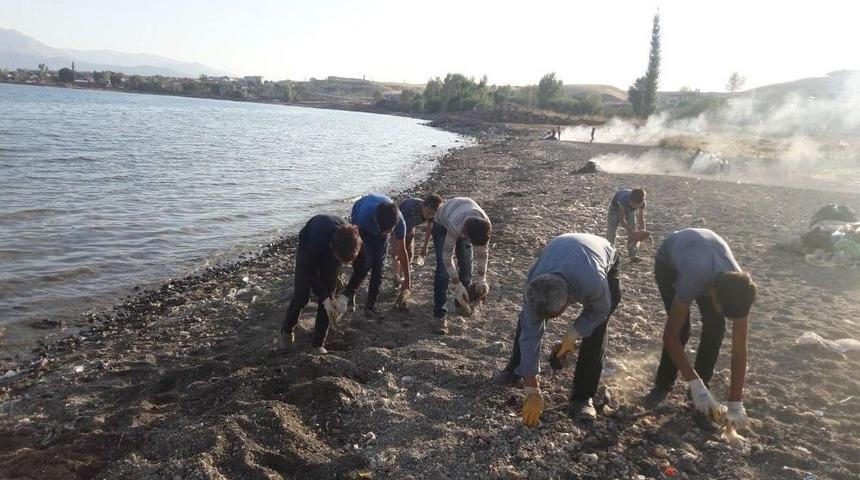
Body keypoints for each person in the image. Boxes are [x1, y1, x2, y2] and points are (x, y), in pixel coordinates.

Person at [493, 233, 621, 423]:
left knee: (596, 329)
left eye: (550, 316)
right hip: (562, 250)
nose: (543, 319)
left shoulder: (593, 283)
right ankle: (516, 367)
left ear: (566, 303)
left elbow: (600, 311)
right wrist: (532, 389)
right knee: (527, 321)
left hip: (601, 257)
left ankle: (582, 397)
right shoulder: (533, 285)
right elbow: (530, 335)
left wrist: (572, 334)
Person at [644, 228, 757, 431]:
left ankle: (698, 397)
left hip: (707, 258)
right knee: (681, 329)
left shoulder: (741, 290)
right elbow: (670, 336)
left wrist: (735, 402)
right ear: (712, 294)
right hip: (669, 262)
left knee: (716, 328)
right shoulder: (694, 277)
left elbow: (739, 350)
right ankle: (662, 386)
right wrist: (695, 384)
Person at [280, 214, 362, 353]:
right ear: (332, 247)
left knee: (329, 296)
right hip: (308, 244)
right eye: (341, 260)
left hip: (335, 250)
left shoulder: (354, 242)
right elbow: (310, 271)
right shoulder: (316, 241)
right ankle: (287, 330)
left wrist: (346, 294)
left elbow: (362, 269)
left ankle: (318, 343)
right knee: (301, 295)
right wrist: (322, 296)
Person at [343, 193, 410, 319]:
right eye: (383, 230)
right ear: (376, 220)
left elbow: (402, 251)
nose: (385, 233)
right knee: (363, 263)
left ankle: (370, 306)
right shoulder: (364, 216)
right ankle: (349, 292)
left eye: (389, 231)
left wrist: (407, 280)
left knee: (379, 266)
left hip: (381, 222)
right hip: (363, 225)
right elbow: (353, 237)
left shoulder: (400, 222)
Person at [432, 196, 491, 334]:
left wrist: (481, 278)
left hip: (465, 218)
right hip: (442, 224)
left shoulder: (485, 224)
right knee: (443, 272)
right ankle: (439, 315)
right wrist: (457, 285)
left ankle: (461, 303)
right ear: (467, 235)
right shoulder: (456, 225)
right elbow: (447, 258)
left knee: (466, 269)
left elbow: (482, 253)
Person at [391, 193, 444, 287]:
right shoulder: (410, 208)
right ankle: (396, 276)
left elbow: (429, 228)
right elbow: (397, 229)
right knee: (397, 252)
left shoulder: (432, 212)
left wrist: (425, 246)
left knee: (410, 252)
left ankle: (404, 276)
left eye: (433, 214)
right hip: (398, 226)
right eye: (428, 213)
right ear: (423, 205)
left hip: (411, 227)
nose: (430, 216)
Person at [606, 188, 648, 259]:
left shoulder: (642, 203)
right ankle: (610, 253)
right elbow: (622, 220)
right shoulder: (623, 199)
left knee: (633, 226)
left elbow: (640, 218)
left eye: (638, 205)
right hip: (615, 209)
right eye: (634, 204)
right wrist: (633, 233)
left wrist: (643, 231)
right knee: (611, 231)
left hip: (630, 210)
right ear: (630, 200)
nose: (636, 206)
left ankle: (633, 254)